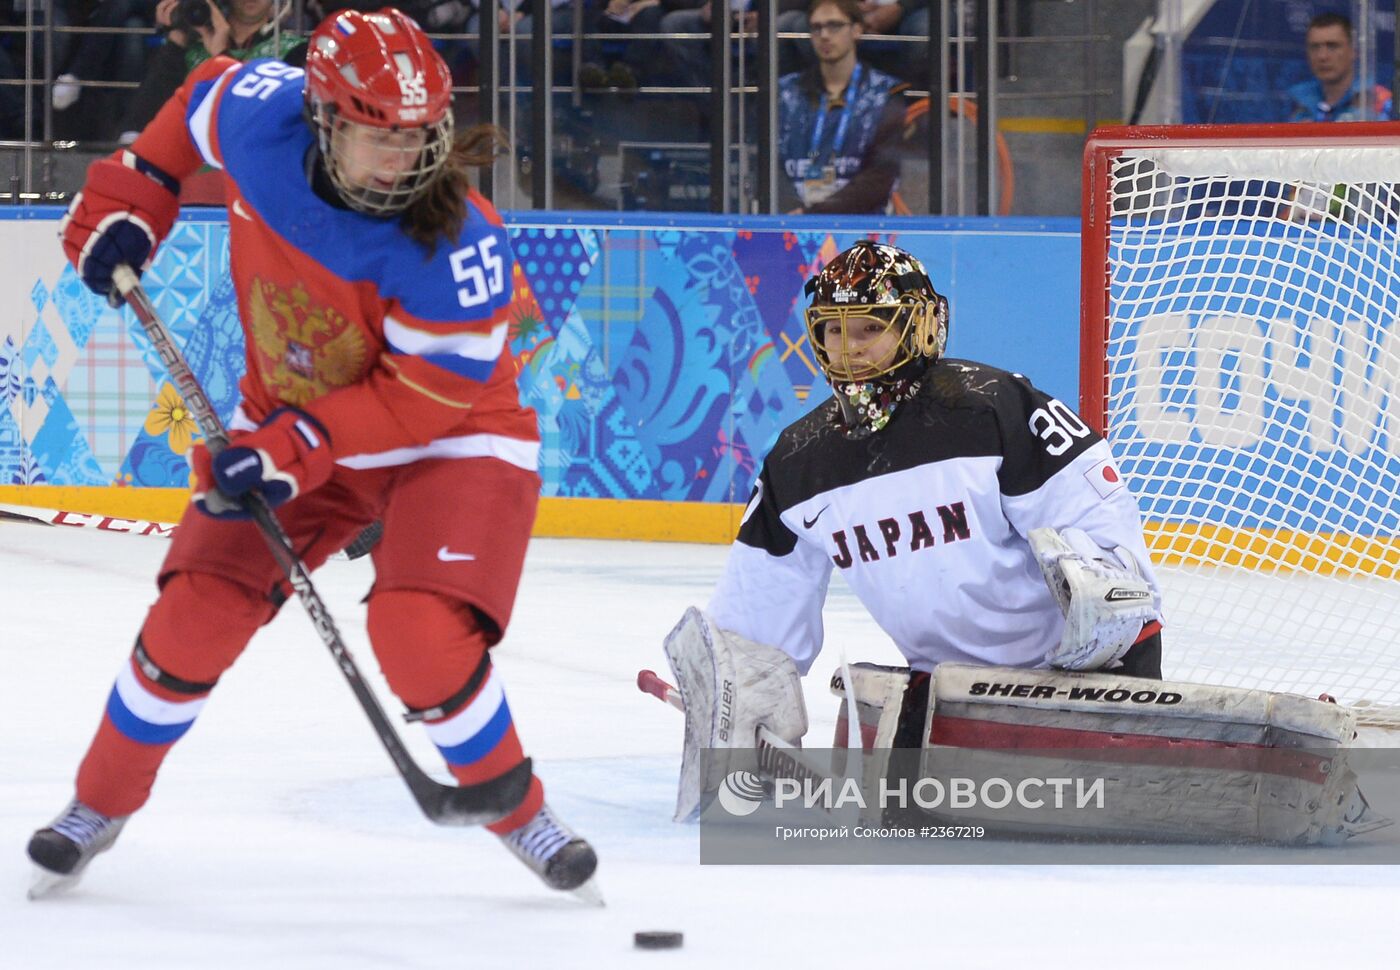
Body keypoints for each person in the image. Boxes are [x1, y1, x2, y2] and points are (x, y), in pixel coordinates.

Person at [28, 7, 598, 901]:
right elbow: (190, 109)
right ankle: (96, 805)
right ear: (322, 118)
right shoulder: (261, 111)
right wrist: (137, 193)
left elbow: (425, 398)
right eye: (378, 138)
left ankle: (522, 814)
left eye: (418, 138)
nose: (404, 160)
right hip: (294, 422)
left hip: (452, 439)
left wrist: (298, 445)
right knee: (197, 610)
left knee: (418, 636)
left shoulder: (461, 243)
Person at [660, 241, 1164, 819]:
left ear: (918, 327)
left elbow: (1109, 559)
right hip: (948, 695)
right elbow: (757, 620)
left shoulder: (994, 408)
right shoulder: (798, 463)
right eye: (832, 331)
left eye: (869, 327)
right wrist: (732, 686)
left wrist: (1108, 618)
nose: (846, 351)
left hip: (1083, 675)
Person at [778, 0, 907, 214]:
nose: (825, 35)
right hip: (794, 227)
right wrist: (793, 214)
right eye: (816, 27)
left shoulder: (885, 93)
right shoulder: (785, 92)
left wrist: (816, 213)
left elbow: (881, 177)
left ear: (857, 30)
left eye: (835, 26)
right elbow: (769, 167)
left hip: (861, 229)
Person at [119, 0, 307, 143]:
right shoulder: (188, 50)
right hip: (189, 168)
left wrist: (220, 55)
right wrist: (178, 34)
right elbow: (135, 129)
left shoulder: (295, 51)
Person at [1286, 11, 1392, 122]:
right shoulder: (1298, 105)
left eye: (1332, 46)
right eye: (1315, 47)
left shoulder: (1381, 102)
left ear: (1353, 51)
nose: (1322, 56)